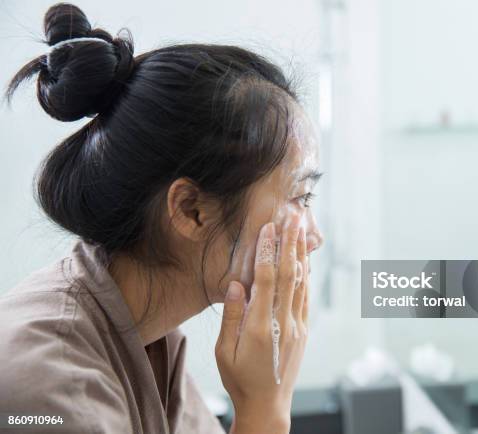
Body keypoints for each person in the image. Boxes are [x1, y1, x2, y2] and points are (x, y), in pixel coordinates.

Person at [0, 3, 323, 433]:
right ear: (190, 210)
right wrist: (264, 409)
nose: (313, 236)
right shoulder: (48, 387)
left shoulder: (153, 340)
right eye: (300, 196)